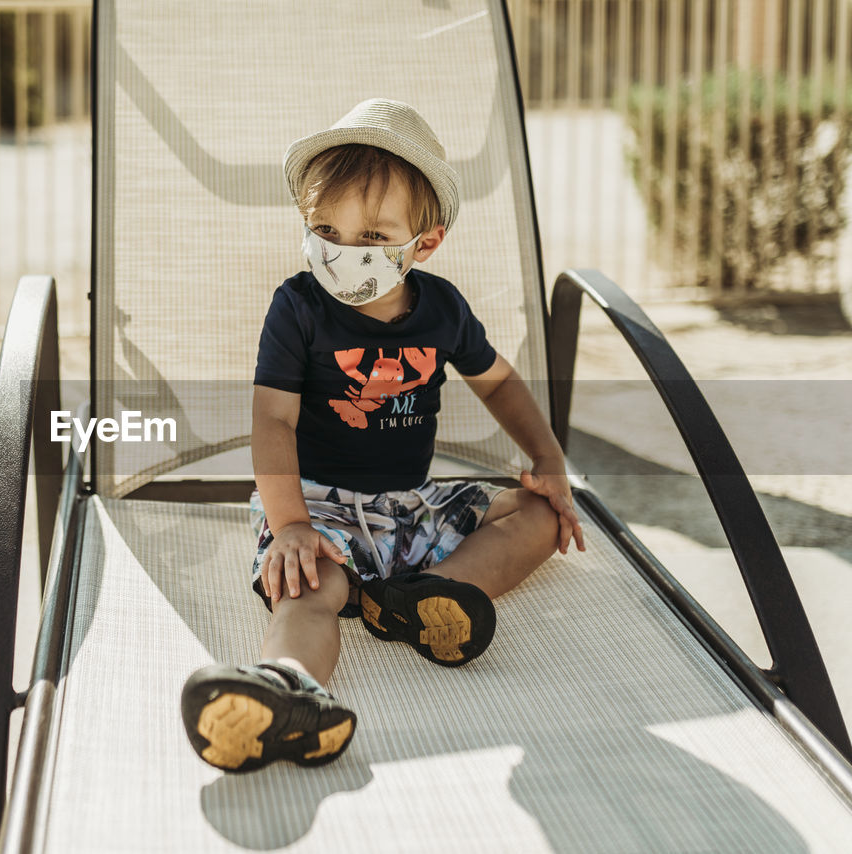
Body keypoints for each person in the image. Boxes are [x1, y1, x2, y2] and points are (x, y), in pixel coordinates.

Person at [179, 98, 586, 774]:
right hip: (320, 508)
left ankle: (428, 596)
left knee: (543, 513)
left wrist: (546, 459)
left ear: (423, 244)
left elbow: (502, 384)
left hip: (414, 508)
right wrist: (289, 526)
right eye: (324, 229)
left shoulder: (445, 311)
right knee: (308, 590)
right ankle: (288, 689)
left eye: (371, 238)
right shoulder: (298, 308)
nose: (342, 252)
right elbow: (272, 421)